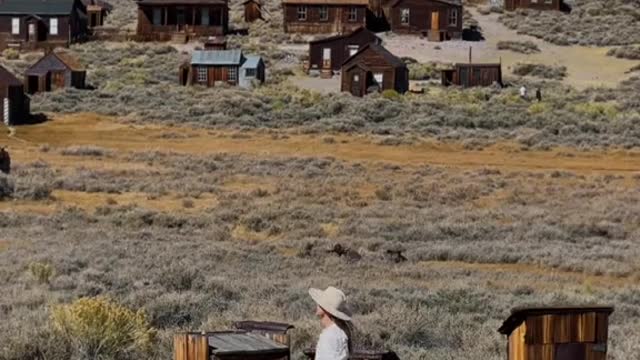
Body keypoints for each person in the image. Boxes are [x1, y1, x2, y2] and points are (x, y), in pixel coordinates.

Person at [309, 286, 353, 360]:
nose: (317, 304)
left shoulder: (330, 336)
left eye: (320, 304)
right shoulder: (338, 330)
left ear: (326, 309)